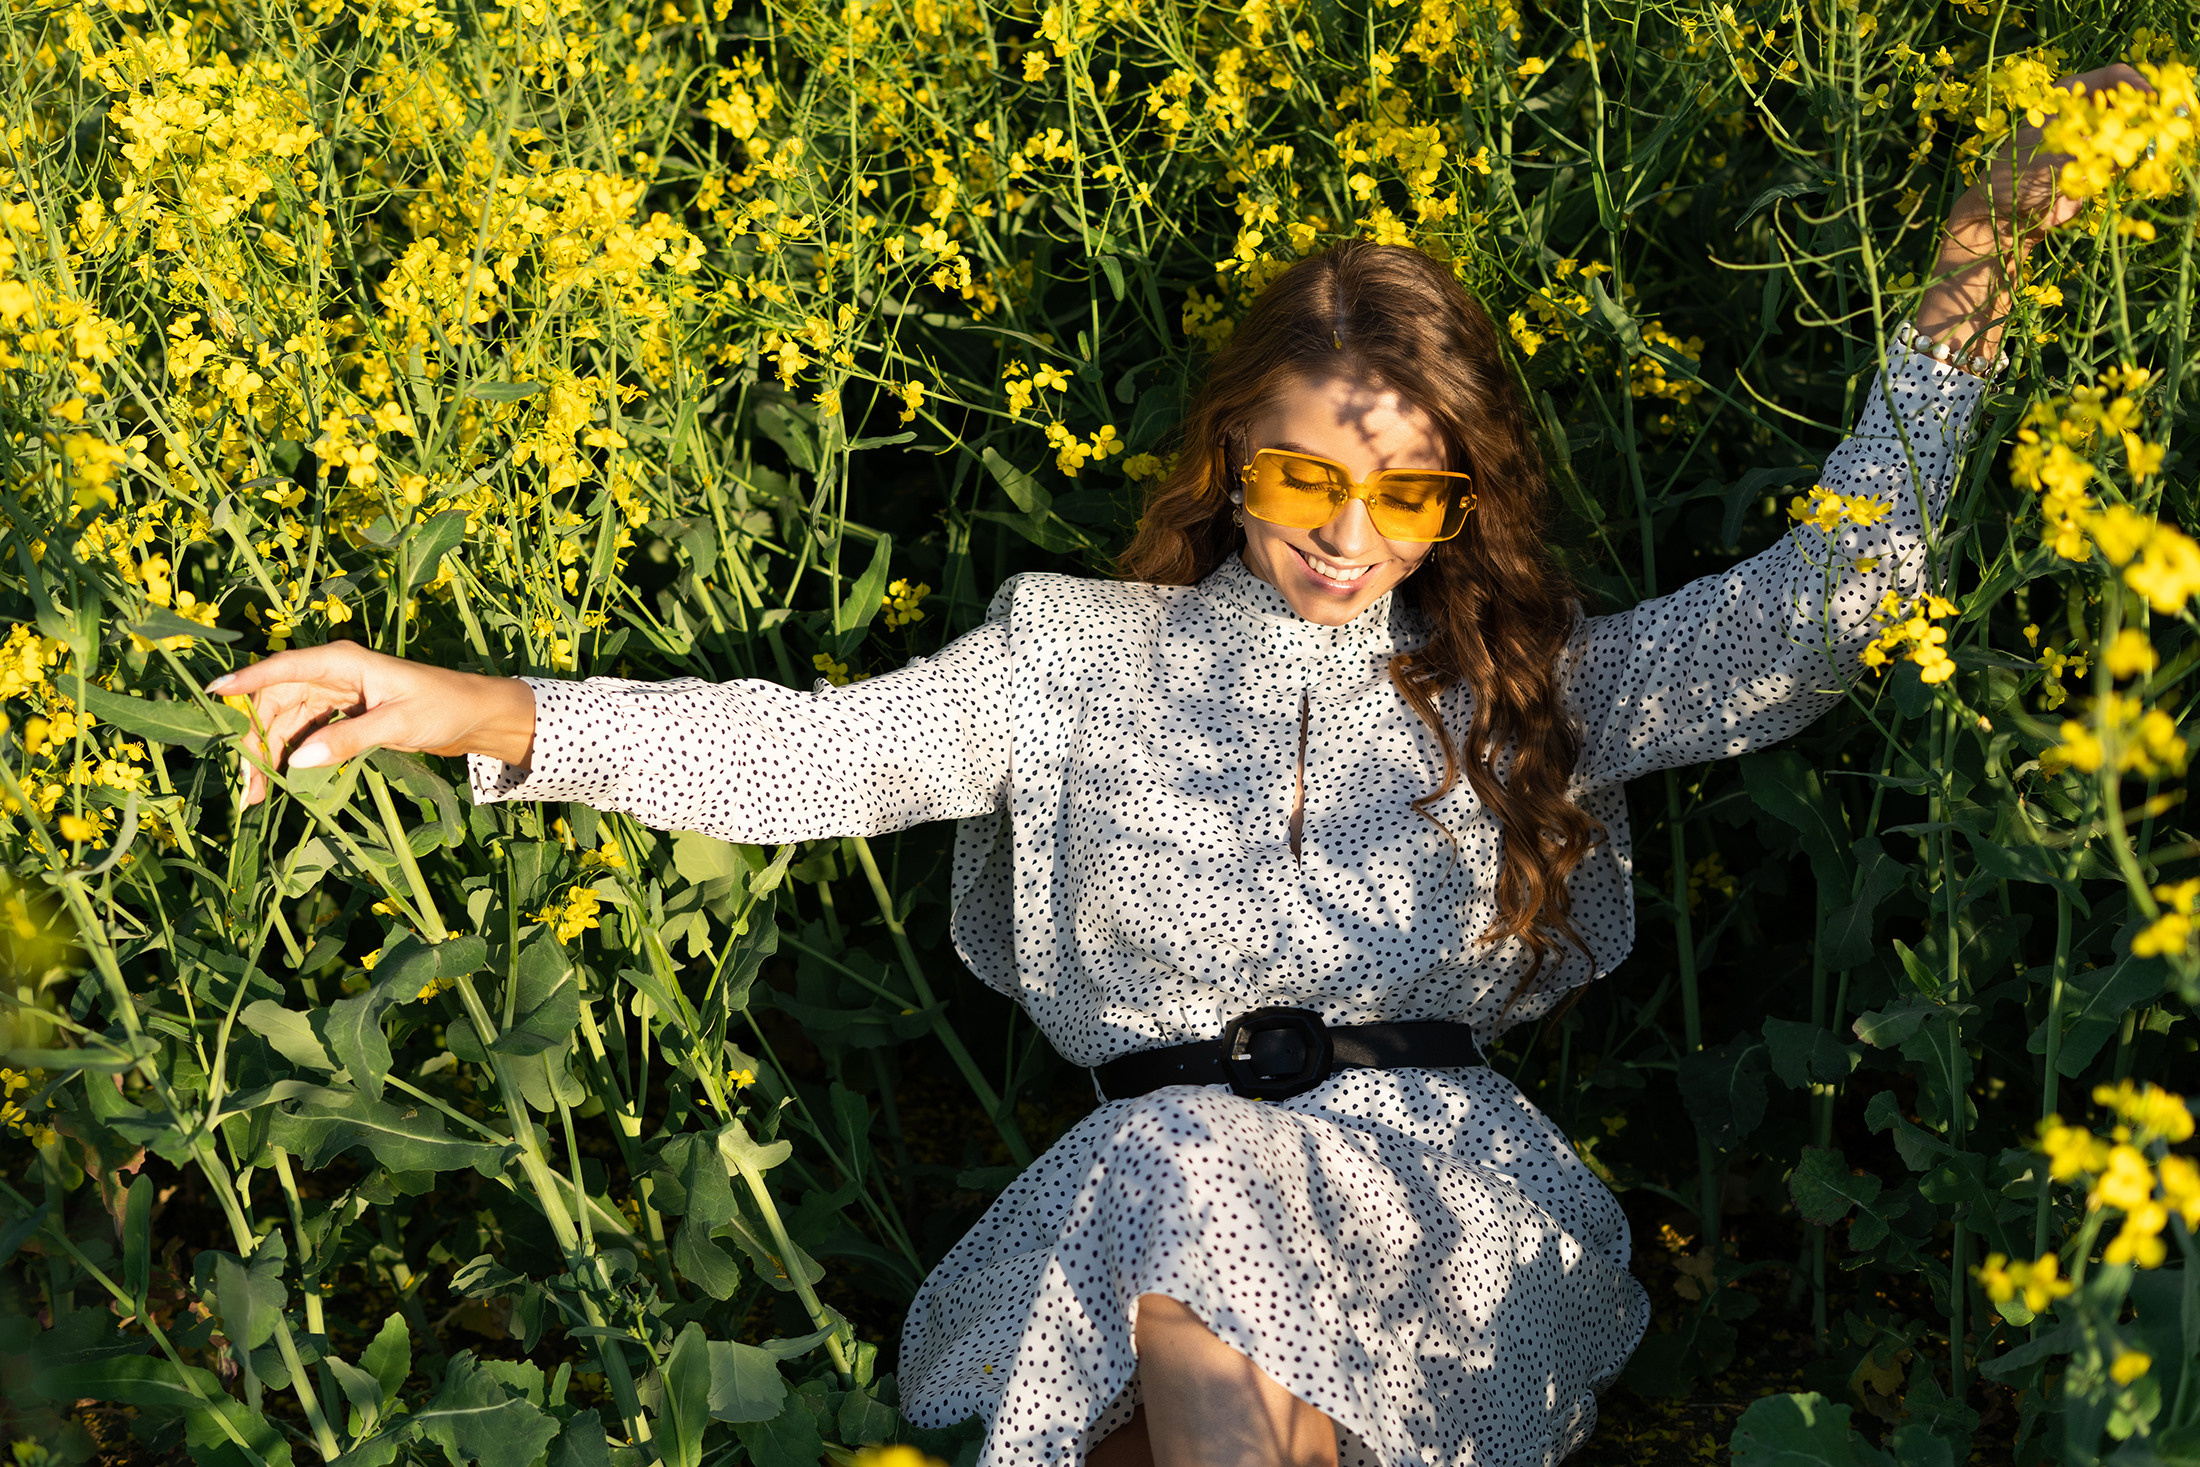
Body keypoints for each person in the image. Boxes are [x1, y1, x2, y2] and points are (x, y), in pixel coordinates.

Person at [210, 64, 2142, 1467]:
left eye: (1405, 493)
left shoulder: (1525, 683)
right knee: (1180, 1178)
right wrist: (464, 705)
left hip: (1437, 1220)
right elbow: (817, 755)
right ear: (1231, 457)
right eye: (1305, 475)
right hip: (1150, 1200)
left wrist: (1971, 270)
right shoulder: (1074, 657)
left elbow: (1825, 612)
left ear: (1461, 501)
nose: (1345, 534)